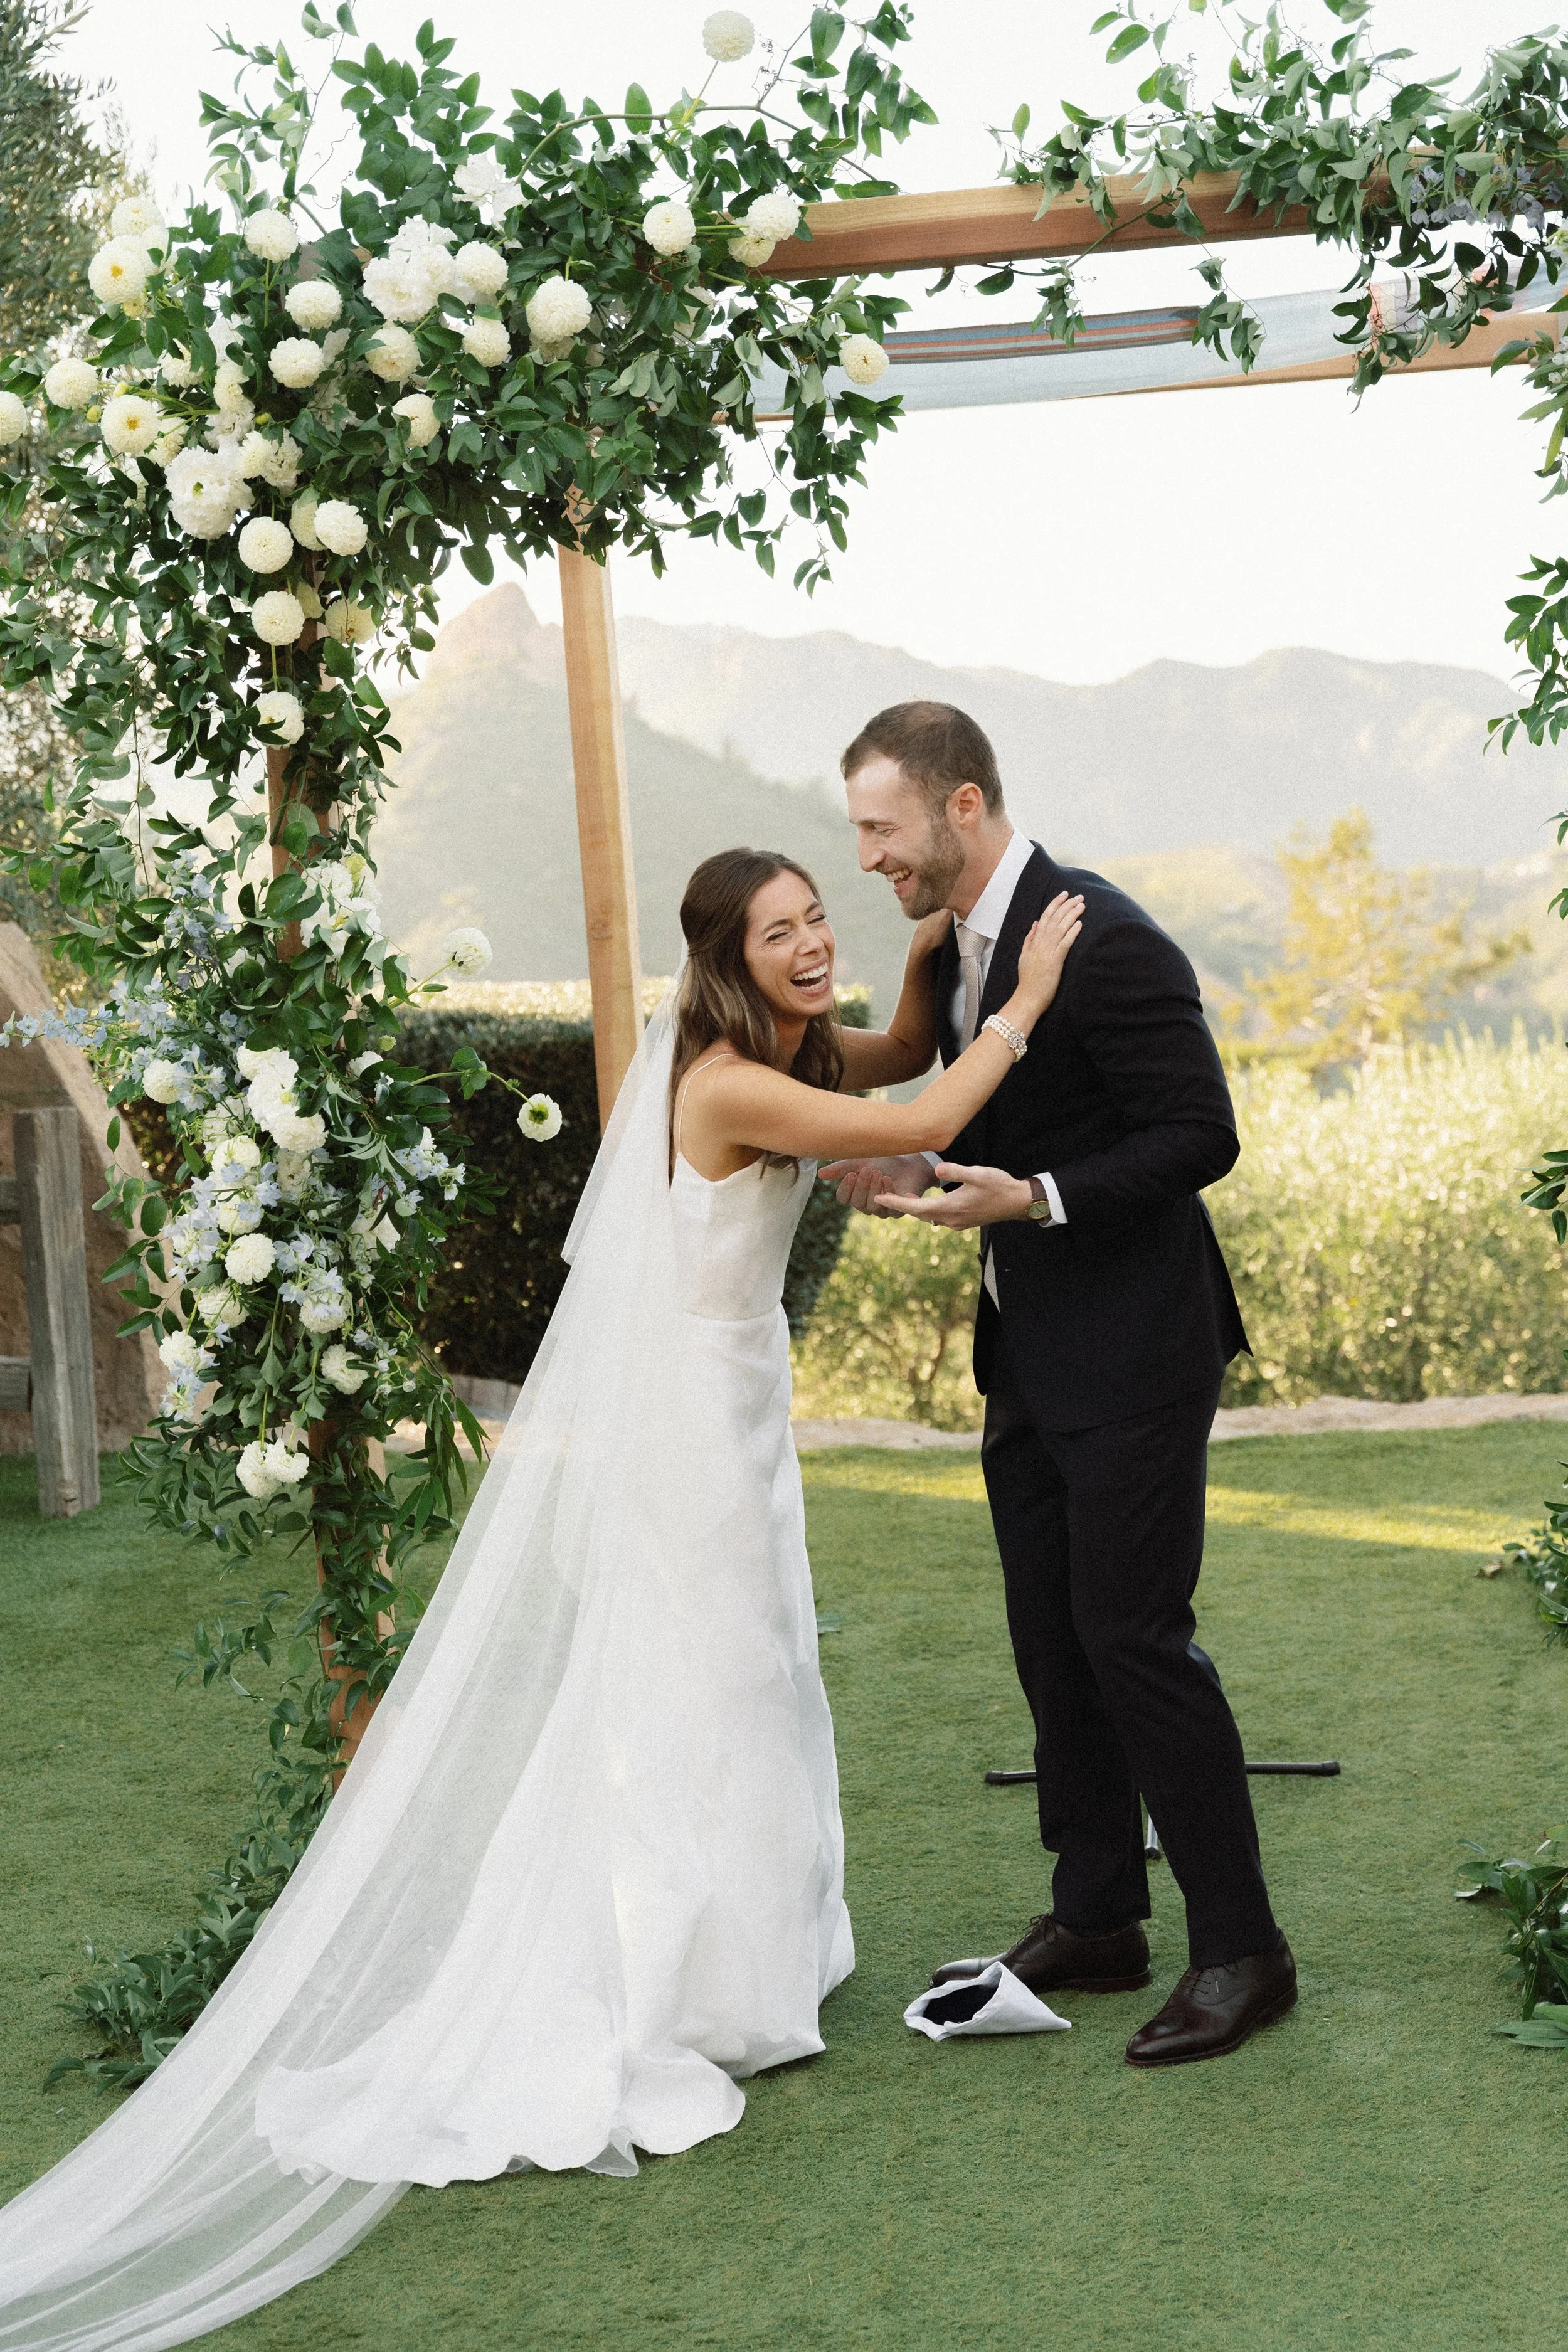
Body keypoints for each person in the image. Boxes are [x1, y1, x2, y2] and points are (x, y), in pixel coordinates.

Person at [0, 845, 1082, 2351]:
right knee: (705, 1685)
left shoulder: (781, 1040)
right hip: (688, 1437)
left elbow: (894, 1052)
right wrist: (1022, 996)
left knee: (752, 1675)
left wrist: (920, 954)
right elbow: (915, 1112)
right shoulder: (716, 1080)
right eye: (781, 931)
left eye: (814, 918)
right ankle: (672, 1989)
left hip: (735, 1407)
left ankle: (743, 1964)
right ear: (723, 956)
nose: (809, 943)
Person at [822, 701, 1298, 2069]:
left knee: (1133, 1638)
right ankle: (1096, 1916)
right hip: (1027, 1352)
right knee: (1051, 1635)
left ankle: (1242, 1951)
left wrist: (1029, 1198)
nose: (867, 857)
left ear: (960, 806)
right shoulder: (961, 943)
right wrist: (919, 1170)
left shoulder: (1105, 937)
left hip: (1137, 1354)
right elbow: (1017, 1115)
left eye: (880, 828)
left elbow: (1197, 1135)